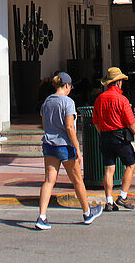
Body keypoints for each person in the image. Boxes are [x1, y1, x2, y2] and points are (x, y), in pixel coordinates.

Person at [35, 71, 102, 231]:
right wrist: (77, 148)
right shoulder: (68, 102)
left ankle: (42, 216)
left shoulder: (47, 102)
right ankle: (87, 212)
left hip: (49, 144)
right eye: (70, 86)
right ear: (66, 85)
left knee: (49, 180)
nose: (70, 89)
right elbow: (70, 126)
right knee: (77, 180)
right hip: (64, 145)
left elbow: (44, 125)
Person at [92, 66, 135, 211]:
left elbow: (95, 122)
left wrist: (102, 133)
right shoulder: (122, 99)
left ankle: (108, 201)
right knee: (130, 164)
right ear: (119, 82)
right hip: (120, 137)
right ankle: (123, 196)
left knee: (109, 169)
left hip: (105, 136)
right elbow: (130, 122)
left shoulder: (99, 99)